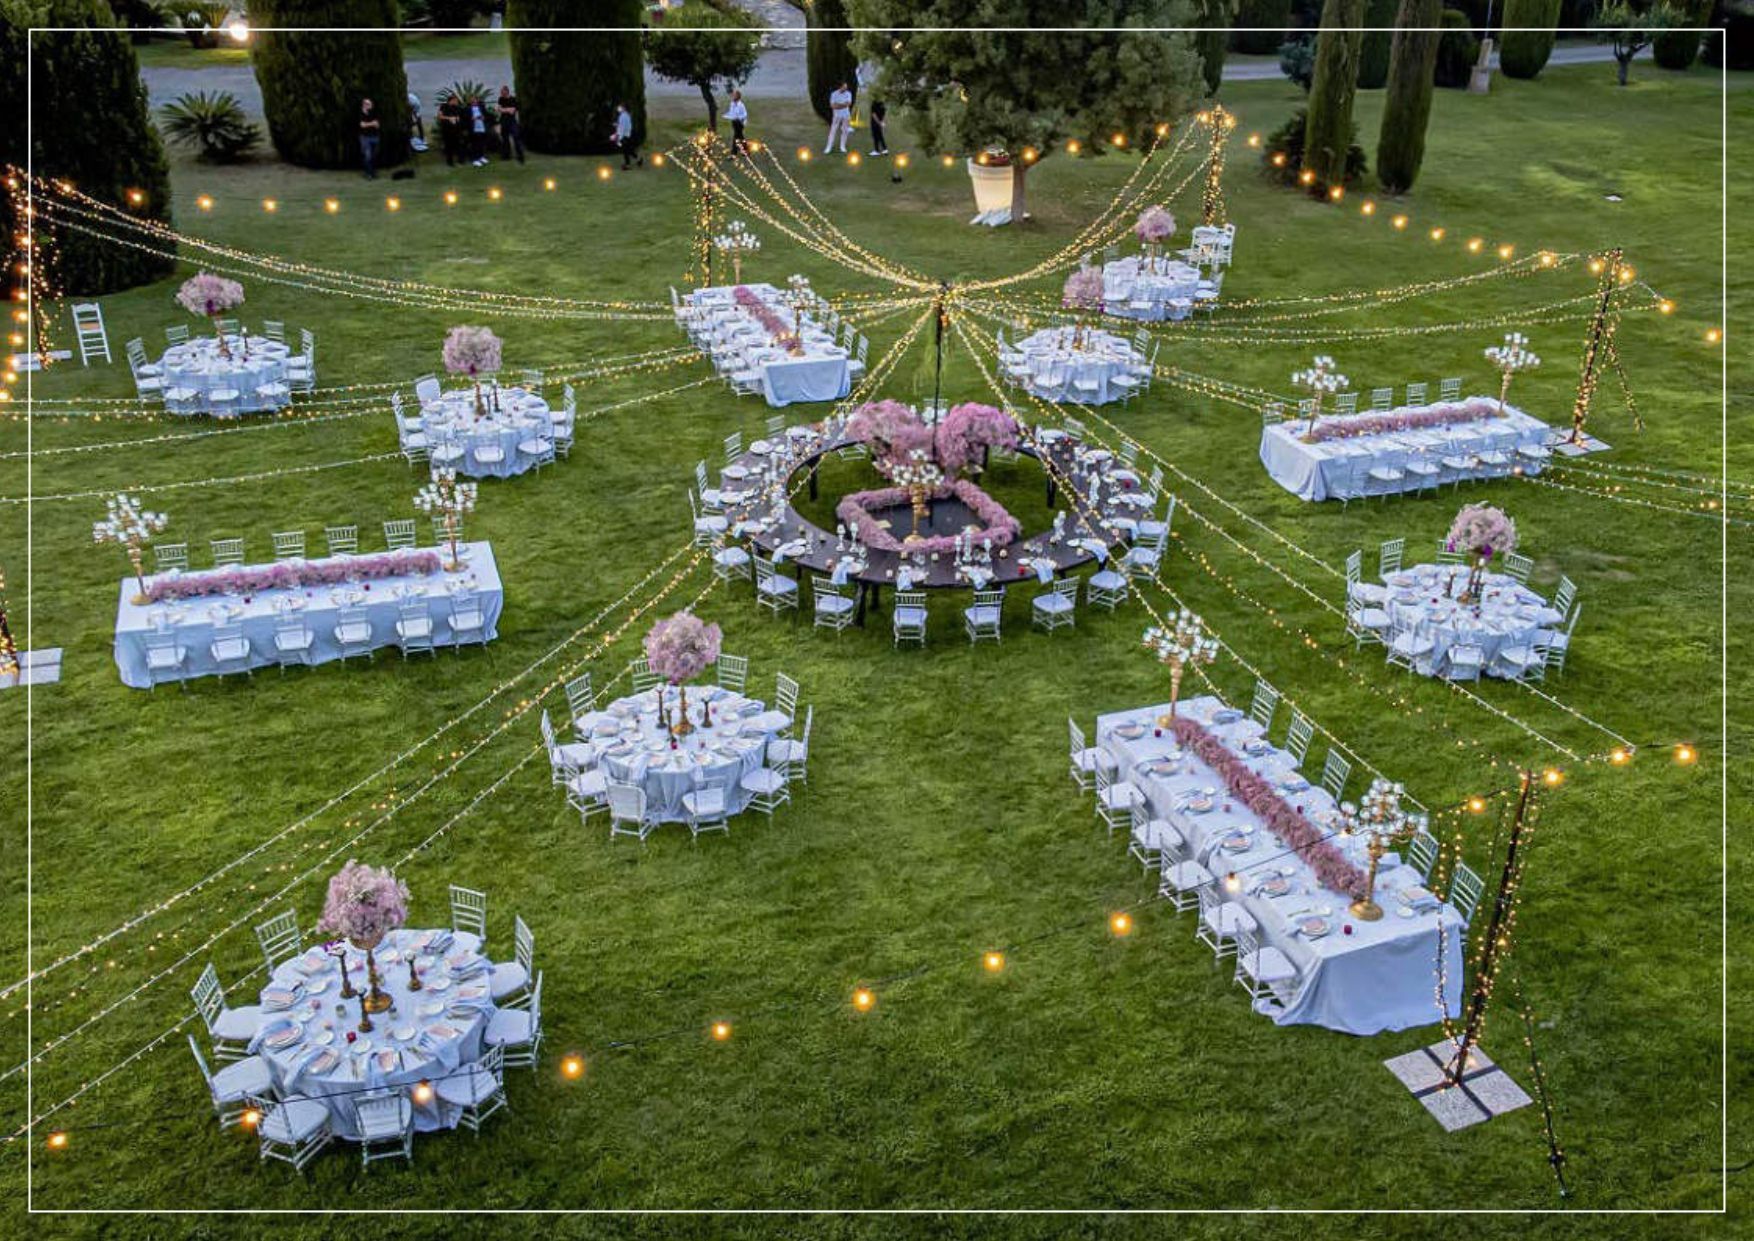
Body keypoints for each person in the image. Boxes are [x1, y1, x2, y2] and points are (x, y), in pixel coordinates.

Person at [497, 85, 524, 163]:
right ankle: (506, 156)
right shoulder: (500, 99)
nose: (501, 94)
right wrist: (507, 109)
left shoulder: (513, 99)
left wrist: (503, 109)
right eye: (501, 92)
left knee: (516, 137)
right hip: (503, 121)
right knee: (505, 139)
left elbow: (512, 111)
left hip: (512, 121)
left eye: (502, 92)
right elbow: (498, 109)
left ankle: (520, 156)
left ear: (506, 91)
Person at [824, 81, 853, 154]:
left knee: (845, 131)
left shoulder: (848, 94)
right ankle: (829, 147)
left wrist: (838, 105)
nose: (845, 88)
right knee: (833, 131)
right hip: (837, 116)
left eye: (846, 87)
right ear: (840, 87)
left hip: (846, 115)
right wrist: (843, 105)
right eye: (844, 87)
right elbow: (833, 106)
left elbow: (848, 104)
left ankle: (842, 147)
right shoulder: (834, 94)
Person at [436, 92, 463, 166]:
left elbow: (459, 116)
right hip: (447, 129)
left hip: (456, 129)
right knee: (449, 146)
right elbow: (439, 116)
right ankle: (450, 162)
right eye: (456, 101)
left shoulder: (457, 108)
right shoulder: (443, 106)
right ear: (451, 100)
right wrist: (449, 118)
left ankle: (460, 160)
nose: (457, 102)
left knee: (458, 145)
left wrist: (457, 118)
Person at [358, 98, 380, 179]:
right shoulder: (360, 114)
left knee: (374, 156)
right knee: (367, 155)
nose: (370, 106)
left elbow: (377, 125)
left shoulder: (374, 113)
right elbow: (362, 125)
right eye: (368, 104)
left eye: (371, 104)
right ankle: (368, 173)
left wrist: (369, 124)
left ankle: (373, 172)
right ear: (364, 105)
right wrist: (372, 123)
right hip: (365, 138)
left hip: (375, 137)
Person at [615, 103, 642, 169]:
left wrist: (620, 137)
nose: (619, 109)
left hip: (625, 136)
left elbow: (623, 128)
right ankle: (638, 159)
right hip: (628, 135)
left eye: (620, 107)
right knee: (629, 150)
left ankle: (627, 165)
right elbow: (623, 125)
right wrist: (617, 125)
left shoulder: (623, 116)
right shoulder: (625, 115)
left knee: (626, 151)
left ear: (624, 108)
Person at [467, 96, 490, 166]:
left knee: (481, 144)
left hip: (482, 128)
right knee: (475, 145)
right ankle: (475, 159)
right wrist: (472, 118)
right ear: (470, 101)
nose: (474, 102)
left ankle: (481, 157)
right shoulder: (468, 109)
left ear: (477, 101)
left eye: (475, 100)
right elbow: (465, 119)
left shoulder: (481, 107)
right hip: (474, 129)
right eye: (472, 101)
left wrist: (483, 117)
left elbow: (486, 115)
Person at [726, 89, 748, 154]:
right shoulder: (732, 104)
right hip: (734, 122)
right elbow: (731, 112)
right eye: (733, 95)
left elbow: (744, 114)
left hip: (740, 123)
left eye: (734, 95)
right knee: (740, 136)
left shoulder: (741, 105)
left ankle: (734, 152)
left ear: (738, 97)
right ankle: (745, 150)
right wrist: (728, 115)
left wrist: (738, 118)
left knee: (736, 137)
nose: (733, 96)